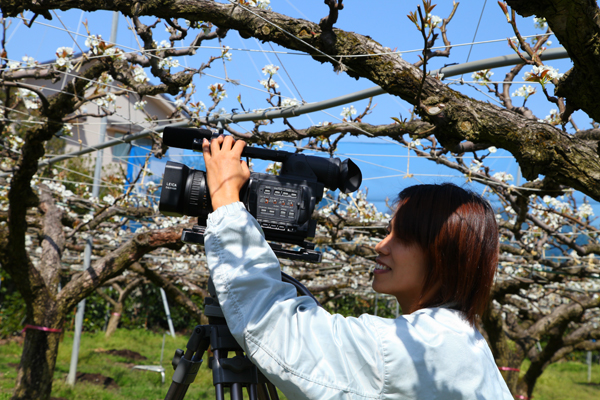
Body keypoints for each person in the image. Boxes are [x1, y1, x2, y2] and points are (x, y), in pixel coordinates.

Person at [201, 135, 513, 399]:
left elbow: (278, 331)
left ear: (441, 255)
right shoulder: (462, 341)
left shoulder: (416, 349)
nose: (381, 246)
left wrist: (227, 202)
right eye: (386, 232)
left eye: (401, 237)